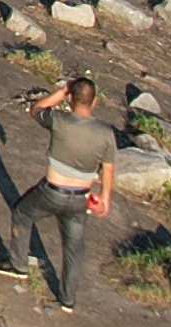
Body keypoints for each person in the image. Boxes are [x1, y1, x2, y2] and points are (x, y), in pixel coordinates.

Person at [28, 73, 120, 308]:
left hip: (52, 190)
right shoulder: (105, 133)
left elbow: (36, 109)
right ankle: (67, 299)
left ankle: (17, 264)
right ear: (94, 101)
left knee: (22, 214)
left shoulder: (59, 120)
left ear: (71, 99)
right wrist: (106, 199)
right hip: (81, 198)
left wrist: (60, 92)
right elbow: (108, 169)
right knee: (74, 249)